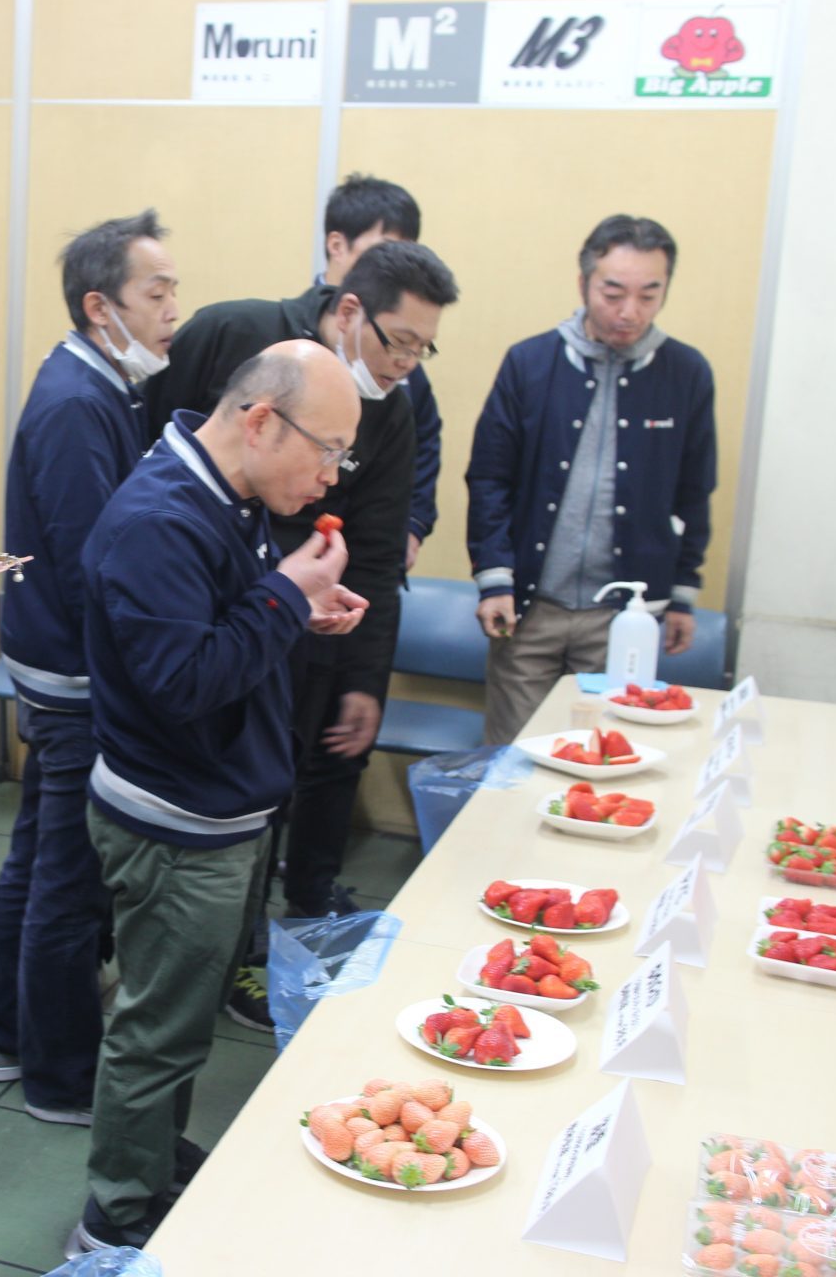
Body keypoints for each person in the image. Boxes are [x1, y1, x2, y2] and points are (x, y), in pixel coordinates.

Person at [70, 342, 367, 1254]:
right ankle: (113, 1220)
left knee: (182, 1022)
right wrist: (282, 597)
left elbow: (218, 624)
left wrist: (293, 607)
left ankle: (153, 1163)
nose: (330, 475)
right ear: (259, 421)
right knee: (157, 1032)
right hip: (175, 826)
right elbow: (184, 680)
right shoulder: (160, 517)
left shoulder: (225, 496)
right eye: (328, 449)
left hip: (219, 812)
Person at [145, 242, 459, 1027]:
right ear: (349, 311)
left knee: (274, 795)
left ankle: (251, 955)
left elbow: (379, 554)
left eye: (425, 349)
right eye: (400, 343)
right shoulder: (236, 334)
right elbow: (159, 452)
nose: (408, 365)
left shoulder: (398, 409)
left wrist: (363, 680)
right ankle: (162, 974)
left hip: (302, 634)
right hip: (193, 621)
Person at [0, 208, 178, 1126]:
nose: (173, 309)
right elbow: (98, 559)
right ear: (102, 306)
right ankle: (59, 1077)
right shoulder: (75, 403)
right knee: (67, 877)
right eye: (156, 292)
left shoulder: (106, 386)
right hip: (70, 674)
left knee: (38, 858)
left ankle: (5, 1032)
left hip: (61, 663)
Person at [466, 213, 717, 744]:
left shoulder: (686, 373)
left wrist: (683, 594)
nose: (630, 312)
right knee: (511, 761)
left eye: (650, 295)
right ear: (583, 284)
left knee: (606, 754)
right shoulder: (530, 363)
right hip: (530, 607)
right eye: (613, 293)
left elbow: (695, 490)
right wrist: (493, 576)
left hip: (625, 617)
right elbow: (490, 478)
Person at [317, 173, 443, 573]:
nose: (397, 268)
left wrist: (412, 526)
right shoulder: (288, 339)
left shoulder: (405, 367)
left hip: (362, 555)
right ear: (337, 245)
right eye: (384, 250)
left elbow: (423, 447)